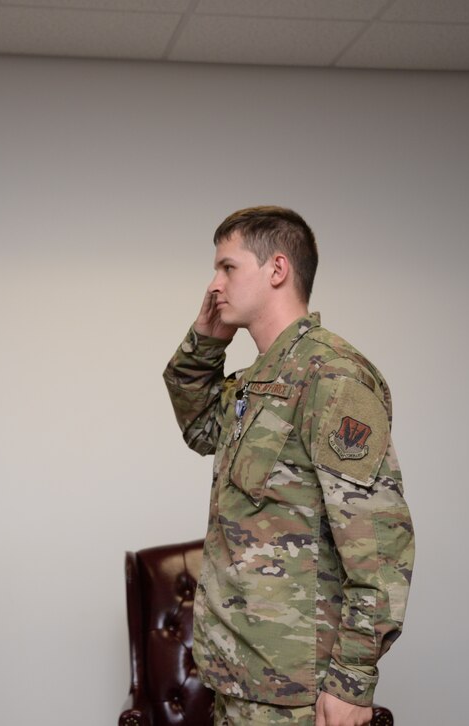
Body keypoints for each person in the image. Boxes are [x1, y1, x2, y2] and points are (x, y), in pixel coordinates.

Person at [163, 207, 413, 726]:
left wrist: (352, 683)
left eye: (227, 268)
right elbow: (199, 428)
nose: (213, 285)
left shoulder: (331, 376)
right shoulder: (257, 382)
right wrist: (206, 341)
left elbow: (379, 545)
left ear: (277, 269)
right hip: (239, 679)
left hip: (299, 696)